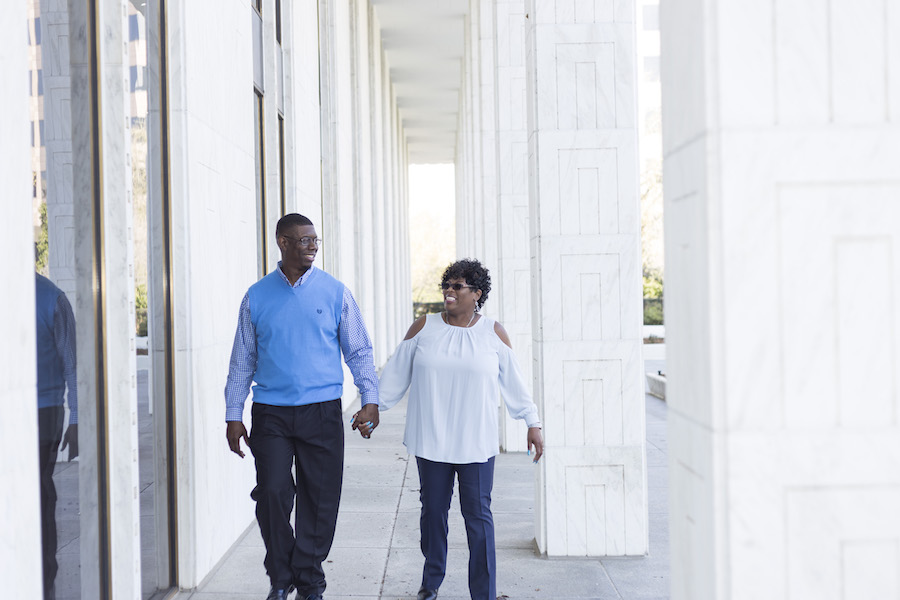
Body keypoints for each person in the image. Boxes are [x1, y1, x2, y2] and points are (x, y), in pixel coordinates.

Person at [354, 258, 543, 600]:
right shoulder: (423, 327)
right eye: (447, 285)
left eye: (458, 286)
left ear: (477, 294)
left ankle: (483, 592)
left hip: (476, 442)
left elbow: (514, 383)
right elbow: (395, 375)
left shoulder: (493, 332)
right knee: (433, 515)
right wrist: (373, 407)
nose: (449, 291)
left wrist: (532, 421)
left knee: (479, 518)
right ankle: (431, 582)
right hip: (432, 440)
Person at [225, 213, 380, 600]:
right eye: (304, 240)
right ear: (283, 242)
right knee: (274, 492)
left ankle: (308, 581)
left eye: (315, 240)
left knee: (320, 497)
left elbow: (359, 350)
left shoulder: (335, 292)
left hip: (323, 410)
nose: (312, 246)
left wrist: (370, 398)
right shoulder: (256, 296)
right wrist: (233, 414)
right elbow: (242, 361)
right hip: (272, 412)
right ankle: (281, 576)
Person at [34, 273, 79, 600]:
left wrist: (77, 419)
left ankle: (44, 574)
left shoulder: (52, 298)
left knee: (38, 490)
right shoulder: (52, 297)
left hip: (44, 411)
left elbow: (72, 367)